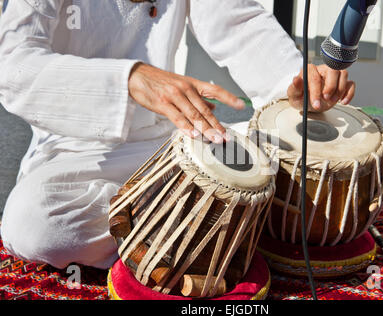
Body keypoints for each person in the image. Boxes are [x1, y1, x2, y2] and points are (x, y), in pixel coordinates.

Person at [0, 0, 355, 269]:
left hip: (176, 138)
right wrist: (128, 79)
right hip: (77, 152)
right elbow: (13, 66)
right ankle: (225, 225)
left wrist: (292, 83)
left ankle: (181, 229)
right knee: (35, 223)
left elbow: (240, 26)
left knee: (309, 143)